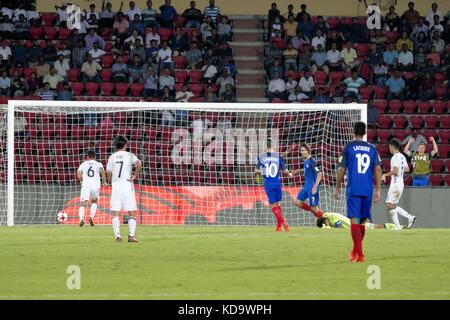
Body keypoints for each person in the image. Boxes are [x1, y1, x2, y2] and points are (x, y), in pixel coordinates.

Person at [333, 121, 382, 263]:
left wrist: (337, 188)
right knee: (362, 222)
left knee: (354, 220)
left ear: (353, 132)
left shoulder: (349, 147)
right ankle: (355, 251)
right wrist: (378, 190)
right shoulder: (372, 149)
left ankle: (360, 255)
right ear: (365, 132)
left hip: (354, 188)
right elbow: (378, 169)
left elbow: (342, 169)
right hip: (367, 188)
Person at [107, 136, 142, 242]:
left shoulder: (112, 157)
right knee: (131, 212)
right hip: (127, 185)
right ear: (126, 145)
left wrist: (110, 182)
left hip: (116, 185)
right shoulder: (130, 155)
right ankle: (131, 236)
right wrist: (135, 175)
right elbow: (139, 163)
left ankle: (118, 236)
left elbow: (109, 172)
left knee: (115, 212)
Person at [255, 138, 292, 232]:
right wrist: (290, 174)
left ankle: (283, 222)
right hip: (277, 183)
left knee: (273, 205)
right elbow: (285, 171)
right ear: (273, 146)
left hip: (268, 183)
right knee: (278, 204)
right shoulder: (279, 157)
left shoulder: (261, 157)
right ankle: (278, 227)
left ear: (265, 146)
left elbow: (256, 170)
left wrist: (260, 172)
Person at [382, 139, 416, 230]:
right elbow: (407, 169)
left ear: (392, 147)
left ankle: (402, 223)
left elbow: (395, 171)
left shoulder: (395, 157)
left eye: (389, 146)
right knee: (392, 205)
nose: (389, 148)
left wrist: (385, 174)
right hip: (401, 184)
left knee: (389, 205)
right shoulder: (402, 156)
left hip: (395, 184)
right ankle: (408, 219)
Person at [77, 150, 107, 227]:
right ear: (95, 156)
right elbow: (102, 171)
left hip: (86, 184)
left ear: (88, 156)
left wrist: (81, 180)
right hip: (96, 184)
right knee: (94, 201)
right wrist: (104, 181)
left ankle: (81, 219)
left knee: (83, 203)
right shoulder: (98, 164)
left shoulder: (84, 163)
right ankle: (91, 216)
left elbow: (79, 174)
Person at [294, 143, 324, 219]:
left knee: (313, 207)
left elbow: (319, 174)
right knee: (297, 202)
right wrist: (298, 171)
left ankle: (325, 220)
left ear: (308, 151)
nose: (302, 152)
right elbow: (308, 170)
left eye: (304, 150)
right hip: (306, 186)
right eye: (301, 150)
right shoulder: (306, 161)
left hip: (312, 186)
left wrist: (315, 187)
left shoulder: (312, 161)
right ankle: (318, 213)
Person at [317, 212, 399, 230]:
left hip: (355, 226)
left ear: (325, 221)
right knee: (373, 226)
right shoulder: (329, 216)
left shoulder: (333, 219)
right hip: (354, 224)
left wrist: (328, 227)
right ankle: (392, 226)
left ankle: (393, 226)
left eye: (325, 223)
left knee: (375, 227)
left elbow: (340, 227)